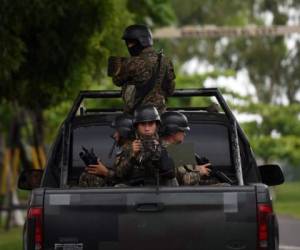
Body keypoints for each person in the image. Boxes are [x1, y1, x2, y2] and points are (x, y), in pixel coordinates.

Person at [108, 24, 176, 114]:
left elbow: (117, 81)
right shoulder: (166, 61)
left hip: (137, 117)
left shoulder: (132, 63)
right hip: (159, 115)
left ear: (140, 42)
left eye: (131, 43)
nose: (129, 46)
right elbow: (170, 90)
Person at [115, 105, 176, 186]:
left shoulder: (167, 146)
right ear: (136, 126)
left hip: (162, 193)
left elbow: (175, 175)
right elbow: (119, 175)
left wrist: (161, 153)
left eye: (151, 124)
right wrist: (132, 156)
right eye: (143, 124)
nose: (147, 128)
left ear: (157, 125)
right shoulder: (130, 146)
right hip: (136, 193)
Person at [160, 111, 215, 185]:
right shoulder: (164, 152)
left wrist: (197, 168)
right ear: (172, 131)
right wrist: (200, 172)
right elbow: (183, 180)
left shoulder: (178, 149)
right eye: (182, 130)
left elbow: (185, 171)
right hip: (181, 195)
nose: (184, 134)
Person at [78, 114, 134, 187]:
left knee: (88, 177)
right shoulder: (127, 149)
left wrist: (105, 172)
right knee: (88, 174)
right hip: (120, 187)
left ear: (123, 132)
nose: (114, 135)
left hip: (126, 191)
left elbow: (123, 179)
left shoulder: (131, 150)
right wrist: (101, 167)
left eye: (116, 132)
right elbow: (119, 173)